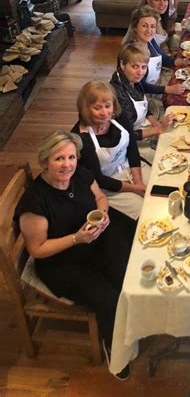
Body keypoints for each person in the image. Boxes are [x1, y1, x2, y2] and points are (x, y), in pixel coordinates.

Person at [14, 131, 133, 380]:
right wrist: (77, 238)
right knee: (109, 298)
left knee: (126, 274)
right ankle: (113, 346)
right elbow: (37, 249)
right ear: (45, 160)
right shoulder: (35, 202)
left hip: (91, 239)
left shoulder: (78, 174)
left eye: (71, 157)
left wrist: (103, 214)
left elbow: (100, 198)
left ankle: (131, 321)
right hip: (62, 261)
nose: (67, 164)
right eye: (59, 158)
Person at [72, 80, 146, 220]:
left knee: (159, 187)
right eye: (97, 108)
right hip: (108, 185)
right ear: (85, 109)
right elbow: (98, 179)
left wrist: (138, 181)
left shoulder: (118, 116)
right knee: (144, 211)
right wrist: (135, 189)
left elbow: (132, 147)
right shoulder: (81, 139)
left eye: (108, 106)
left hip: (130, 166)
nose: (105, 113)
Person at [111, 42, 174, 142]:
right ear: (122, 64)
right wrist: (158, 129)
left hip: (143, 126)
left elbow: (144, 107)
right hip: (130, 143)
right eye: (135, 67)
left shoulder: (133, 80)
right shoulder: (118, 93)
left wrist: (155, 123)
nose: (140, 72)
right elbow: (128, 134)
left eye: (143, 67)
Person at [124, 5, 190, 87]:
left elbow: (164, 59)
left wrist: (183, 61)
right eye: (144, 26)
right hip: (146, 93)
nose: (149, 30)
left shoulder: (150, 40)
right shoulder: (132, 51)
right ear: (135, 27)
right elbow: (141, 86)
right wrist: (167, 89)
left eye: (152, 26)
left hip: (158, 82)